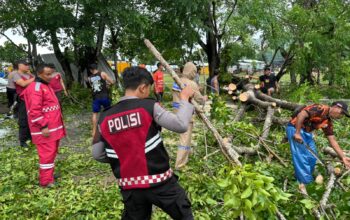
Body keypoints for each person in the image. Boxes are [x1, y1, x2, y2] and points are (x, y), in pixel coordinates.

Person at [92, 67, 194, 219]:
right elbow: (180, 125)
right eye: (148, 90)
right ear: (143, 87)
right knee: (184, 215)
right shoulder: (149, 106)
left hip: (130, 188)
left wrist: (124, 156)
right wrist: (184, 99)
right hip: (161, 183)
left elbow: (97, 154)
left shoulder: (104, 116)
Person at [286, 102, 350, 194]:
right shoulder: (320, 108)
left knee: (312, 157)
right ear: (336, 107)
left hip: (307, 133)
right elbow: (301, 114)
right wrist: (297, 133)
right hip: (295, 128)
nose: (341, 116)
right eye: (341, 113)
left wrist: (343, 157)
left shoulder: (327, 121)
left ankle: (299, 176)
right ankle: (307, 186)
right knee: (301, 157)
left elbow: (332, 141)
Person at [21, 63, 66, 188]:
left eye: (51, 73)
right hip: (45, 130)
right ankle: (46, 181)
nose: (50, 76)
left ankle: (49, 175)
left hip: (52, 128)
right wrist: (43, 126)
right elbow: (34, 111)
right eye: (47, 74)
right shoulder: (36, 88)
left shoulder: (44, 85)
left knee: (51, 152)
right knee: (47, 154)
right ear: (39, 74)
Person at [172, 62, 206, 170]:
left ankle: (185, 158)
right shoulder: (192, 84)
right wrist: (204, 98)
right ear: (191, 71)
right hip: (186, 115)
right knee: (185, 140)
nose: (195, 74)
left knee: (184, 138)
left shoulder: (177, 80)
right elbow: (199, 99)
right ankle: (180, 165)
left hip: (176, 112)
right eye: (195, 71)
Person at [87, 63, 115, 137]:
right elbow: (112, 81)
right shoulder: (102, 73)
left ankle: (94, 131)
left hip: (96, 98)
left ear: (90, 70)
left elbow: (93, 87)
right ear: (96, 68)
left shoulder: (89, 78)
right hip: (104, 96)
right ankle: (109, 128)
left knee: (95, 113)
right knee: (108, 111)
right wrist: (108, 85)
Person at [13, 60, 35, 147]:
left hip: (31, 99)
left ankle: (30, 137)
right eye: (25, 65)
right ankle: (22, 141)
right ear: (19, 66)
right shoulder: (16, 75)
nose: (27, 66)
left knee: (31, 118)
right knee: (23, 120)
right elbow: (23, 84)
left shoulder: (29, 74)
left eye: (28, 64)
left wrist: (33, 76)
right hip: (22, 99)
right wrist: (35, 78)